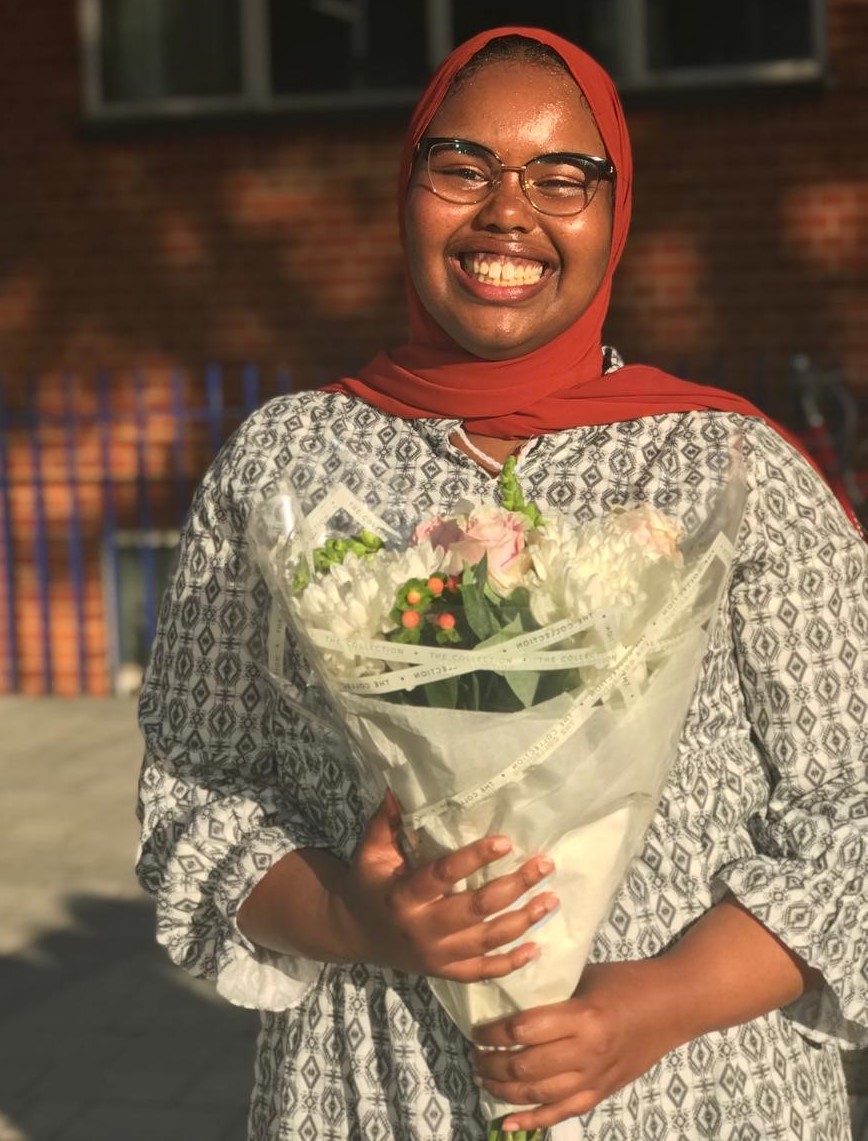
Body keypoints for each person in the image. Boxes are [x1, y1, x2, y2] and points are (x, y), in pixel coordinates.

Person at [136, 25, 868, 1140]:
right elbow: (196, 781)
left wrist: (658, 1004)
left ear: (613, 210)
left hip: (698, 1093)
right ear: (409, 186)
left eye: (559, 176)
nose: (505, 212)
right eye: (462, 167)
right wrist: (359, 918)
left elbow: (852, 803)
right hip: (373, 1092)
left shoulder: (726, 469)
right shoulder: (288, 466)